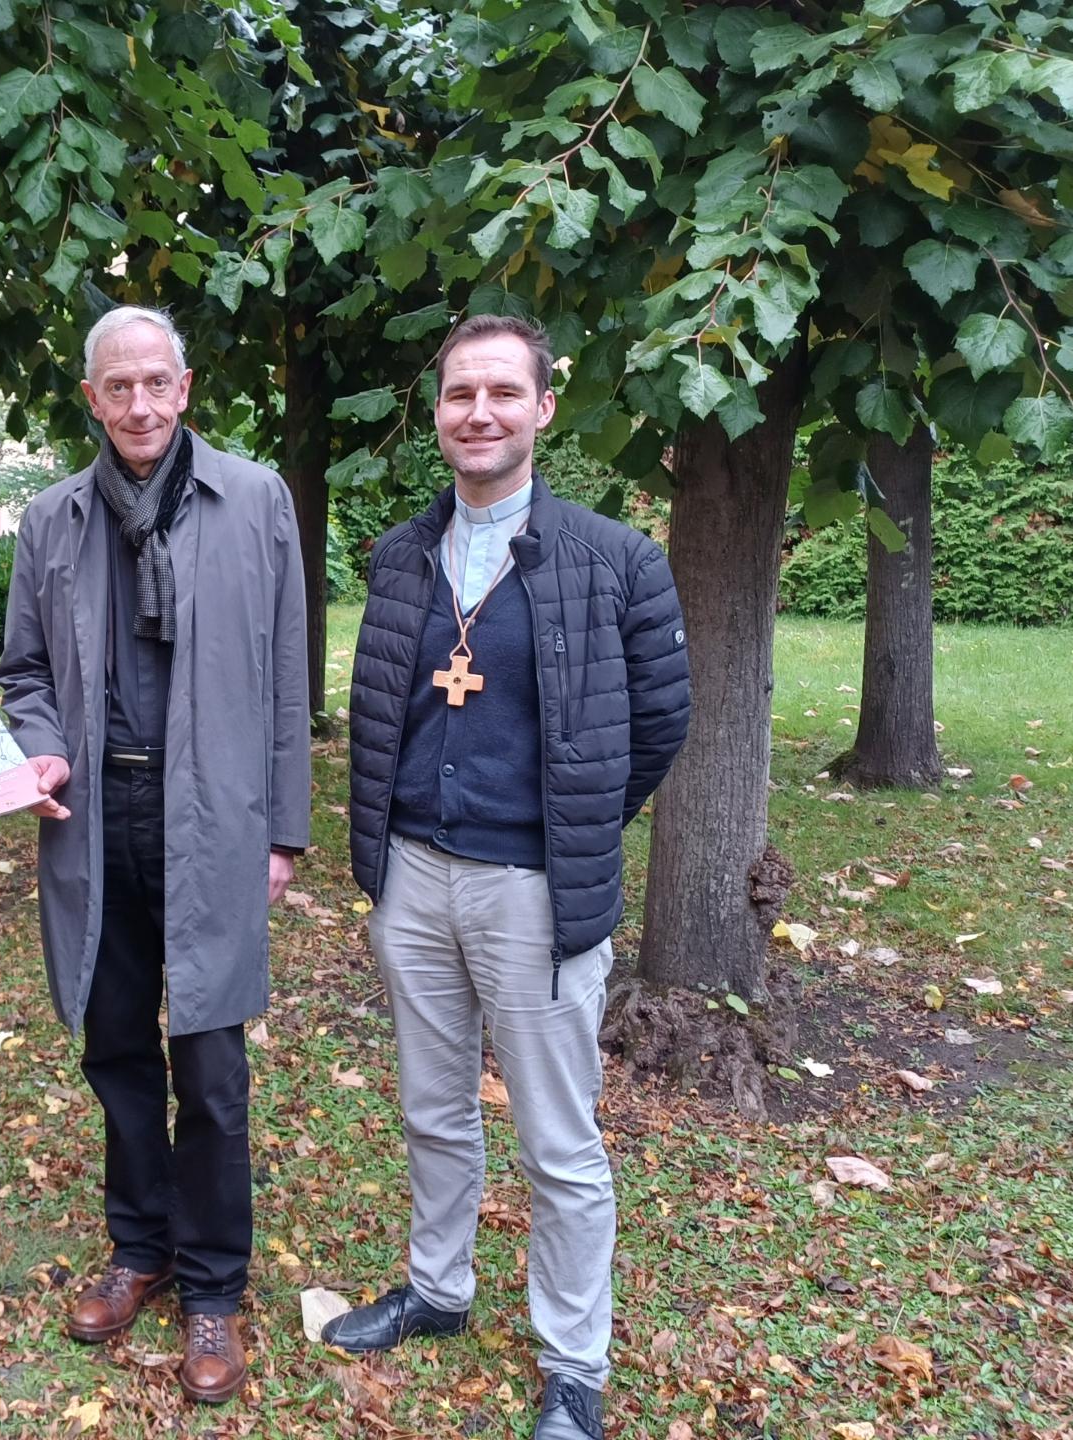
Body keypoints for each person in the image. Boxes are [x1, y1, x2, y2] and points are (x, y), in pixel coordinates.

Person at [328, 313, 690, 1440]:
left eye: (500, 392)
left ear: (542, 408)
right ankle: (437, 1289)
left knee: (557, 1143)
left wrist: (575, 826)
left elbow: (659, 722)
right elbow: (382, 704)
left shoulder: (615, 559)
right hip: (413, 879)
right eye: (458, 394)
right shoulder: (401, 555)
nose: (477, 413)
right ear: (437, 412)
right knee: (433, 1108)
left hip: (534, 888)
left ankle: (573, 1365)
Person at [0, 304, 311, 1405]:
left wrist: (283, 828)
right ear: (92, 398)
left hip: (213, 816)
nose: (138, 404)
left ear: (185, 389)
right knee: (117, 1046)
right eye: (116, 387)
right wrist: (39, 747)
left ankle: (214, 1283)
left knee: (211, 1066)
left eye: (155, 383)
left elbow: (286, 673)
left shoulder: (255, 499)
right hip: (96, 817)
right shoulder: (53, 519)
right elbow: (23, 674)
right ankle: (142, 1248)